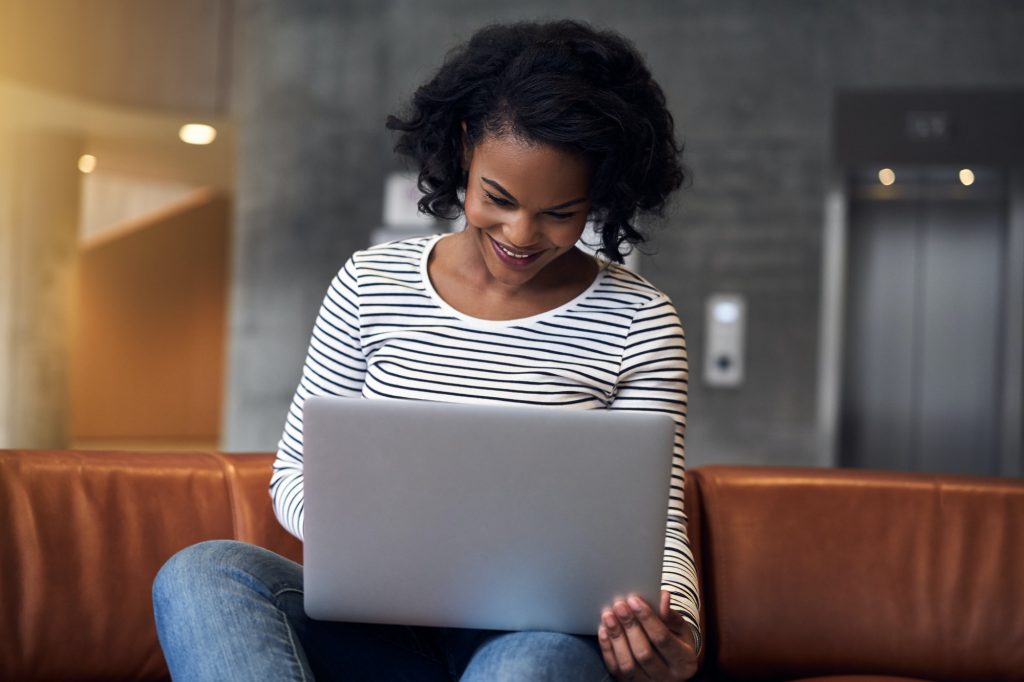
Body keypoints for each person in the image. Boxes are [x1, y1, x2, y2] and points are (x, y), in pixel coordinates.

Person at [153, 19, 701, 681]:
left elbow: (655, 521)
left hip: (530, 641)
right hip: (374, 631)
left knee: (530, 667)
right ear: (465, 148)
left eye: (561, 212)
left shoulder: (639, 321)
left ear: (604, 194)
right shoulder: (369, 284)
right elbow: (294, 472)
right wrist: (379, 546)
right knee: (203, 575)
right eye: (498, 198)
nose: (521, 234)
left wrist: (677, 632)